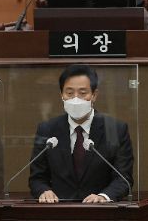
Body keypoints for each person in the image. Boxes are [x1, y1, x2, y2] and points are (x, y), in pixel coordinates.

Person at [28, 64, 134, 203]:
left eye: (83, 93)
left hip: (101, 211)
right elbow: (37, 177)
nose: (76, 99)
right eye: (69, 93)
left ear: (94, 95)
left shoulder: (115, 129)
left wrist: (104, 196)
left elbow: (123, 178)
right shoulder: (47, 129)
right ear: (61, 95)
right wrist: (44, 190)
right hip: (58, 210)